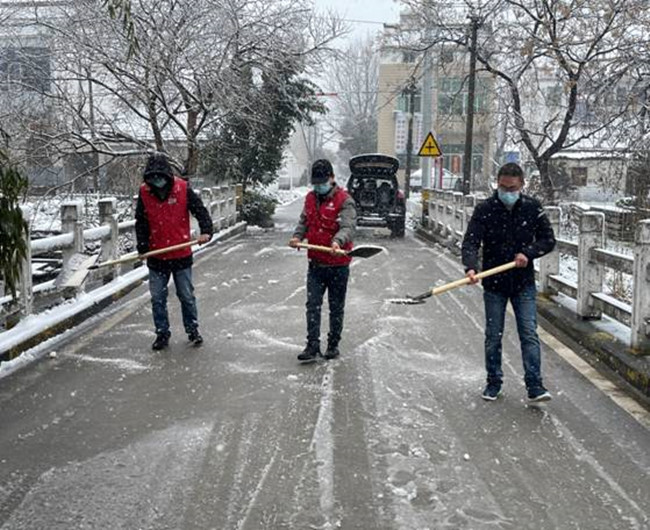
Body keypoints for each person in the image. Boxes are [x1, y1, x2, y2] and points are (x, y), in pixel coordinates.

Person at [461, 162, 556, 402]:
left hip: (523, 283)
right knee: (493, 334)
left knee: (528, 333)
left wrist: (529, 252)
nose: (507, 192)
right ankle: (493, 382)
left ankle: (535, 386)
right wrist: (471, 267)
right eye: (503, 187)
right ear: (497, 184)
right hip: (494, 283)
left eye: (512, 188)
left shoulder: (532, 208)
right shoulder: (486, 209)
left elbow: (548, 240)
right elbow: (471, 241)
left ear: (522, 185)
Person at [135, 153, 213, 350]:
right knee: (157, 298)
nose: (156, 181)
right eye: (152, 178)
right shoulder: (145, 193)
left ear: (167, 176)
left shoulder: (182, 189)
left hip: (180, 254)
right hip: (157, 256)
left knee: (186, 295)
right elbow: (141, 222)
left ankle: (192, 329)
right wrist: (142, 245)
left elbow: (200, 210)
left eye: (159, 177)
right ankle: (162, 333)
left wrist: (206, 231)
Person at [289, 159, 356, 363]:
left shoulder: (344, 200)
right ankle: (312, 345)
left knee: (335, 307)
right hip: (316, 264)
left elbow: (348, 227)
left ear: (332, 178)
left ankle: (333, 344)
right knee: (313, 305)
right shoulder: (310, 199)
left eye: (322, 182)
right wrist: (297, 237)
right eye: (315, 183)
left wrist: (338, 241)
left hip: (338, 266)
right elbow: (304, 222)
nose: (319, 187)